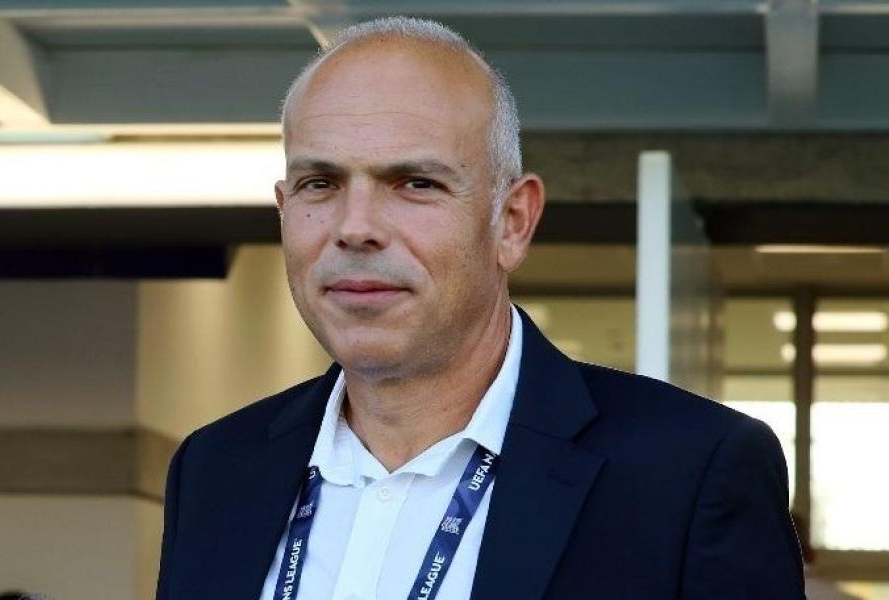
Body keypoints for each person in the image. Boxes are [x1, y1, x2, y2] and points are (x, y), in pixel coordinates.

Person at [155, 16, 805, 600]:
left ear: (512, 222)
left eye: (415, 183)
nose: (355, 228)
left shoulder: (689, 474)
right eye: (319, 183)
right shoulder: (215, 469)